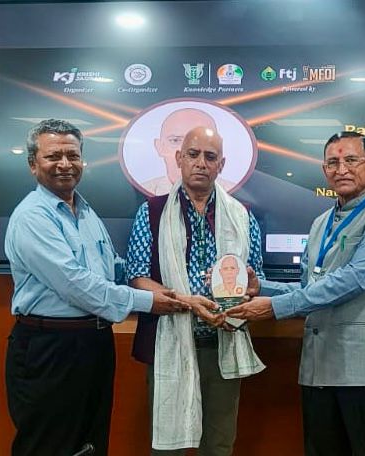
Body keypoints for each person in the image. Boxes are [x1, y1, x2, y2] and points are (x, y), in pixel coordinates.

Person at [4, 119, 199, 456]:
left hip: (93, 344)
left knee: (91, 445)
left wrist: (163, 285)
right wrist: (147, 300)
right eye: (53, 157)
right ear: (33, 164)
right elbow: (77, 285)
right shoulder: (32, 218)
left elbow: (112, 268)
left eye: (72, 155)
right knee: (49, 445)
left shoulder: (84, 211)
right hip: (50, 349)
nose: (65, 164)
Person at [227, 131, 365, 456]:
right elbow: (310, 288)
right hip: (318, 369)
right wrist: (261, 288)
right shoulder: (320, 223)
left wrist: (275, 307)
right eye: (333, 163)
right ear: (324, 170)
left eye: (351, 160)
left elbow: (352, 280)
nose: (342, 169)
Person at [126, 126, 266, 455]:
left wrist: (251, 286)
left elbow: (256, 278)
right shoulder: (152, 211)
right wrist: (187, 303)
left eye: (210, 156)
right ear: (179, 158)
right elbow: (137, 277)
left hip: (223, 346)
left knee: (218, 445)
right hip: (169, 343)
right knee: (167, 447)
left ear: (221, 164)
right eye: (193, 154)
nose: (201, 163)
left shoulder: (243, 216)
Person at [141, 108, 233, 195]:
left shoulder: (234, 200)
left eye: (202, 140)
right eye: (175, 140)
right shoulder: (144, 196)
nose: (188, 149)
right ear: (160, 147)